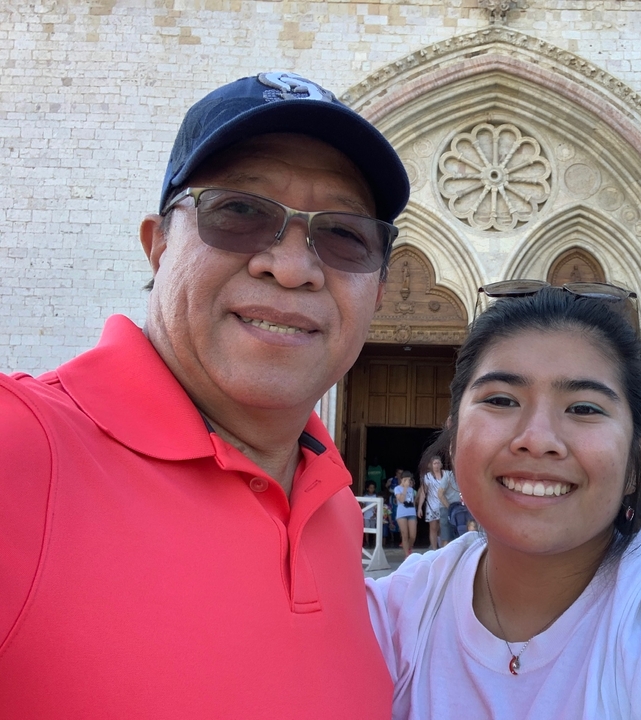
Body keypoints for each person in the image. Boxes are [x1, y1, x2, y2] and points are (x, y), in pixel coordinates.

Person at [0, 71, 409, 718]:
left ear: (379, 291)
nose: (292, 266)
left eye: (343, 236)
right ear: (158, 246)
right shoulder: (18, 451)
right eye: (240, 212)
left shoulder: (334, 510)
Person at [366, 285, 641, 718]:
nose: (537, 440)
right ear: (454, 441)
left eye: (584, 408)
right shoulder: (397, 613)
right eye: (500, 400)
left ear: (635, 460)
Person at [417, 455, 447, 550]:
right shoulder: (428, 477)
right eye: (435, 463)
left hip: (444, 505)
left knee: (444, 529)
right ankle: (434, 549)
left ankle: (443, 549)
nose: (437, 465)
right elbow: (423, 493)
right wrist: (419, 508)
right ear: (431, 465)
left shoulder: (446, 474)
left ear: (441, 464)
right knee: (433, 529)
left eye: (438, 463)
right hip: (432, 506)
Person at [434, 458, 462, 547]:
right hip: (447, 508)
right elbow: (440, 493)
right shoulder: (448, 475)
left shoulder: (464, 475)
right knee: (446, 537)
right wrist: (450, 508)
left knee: (460, 536)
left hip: (460, 508)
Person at [394, 471, 418, 557]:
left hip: (411, 512)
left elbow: (413, 502)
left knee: (412, 535)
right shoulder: (397, 488)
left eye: (409, 480)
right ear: (402, 480)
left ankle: (408, 547)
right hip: (401, 513)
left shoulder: (411, 490)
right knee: (405, 534)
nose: (408, 481)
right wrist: (404, 488)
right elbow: (401, 500)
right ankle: (406, 556)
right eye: (406, 480)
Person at [362, 481, 380, 548]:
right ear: (367, 488)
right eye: (370, 488)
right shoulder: (365, 496)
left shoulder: (376, 496)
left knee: (374, 528)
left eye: (373, 488)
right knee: (366, 529)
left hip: (373, 514)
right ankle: (367, 542)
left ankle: (375, 542)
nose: (371, 489)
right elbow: (363, 506)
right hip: (366, 514)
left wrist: (375, 514)